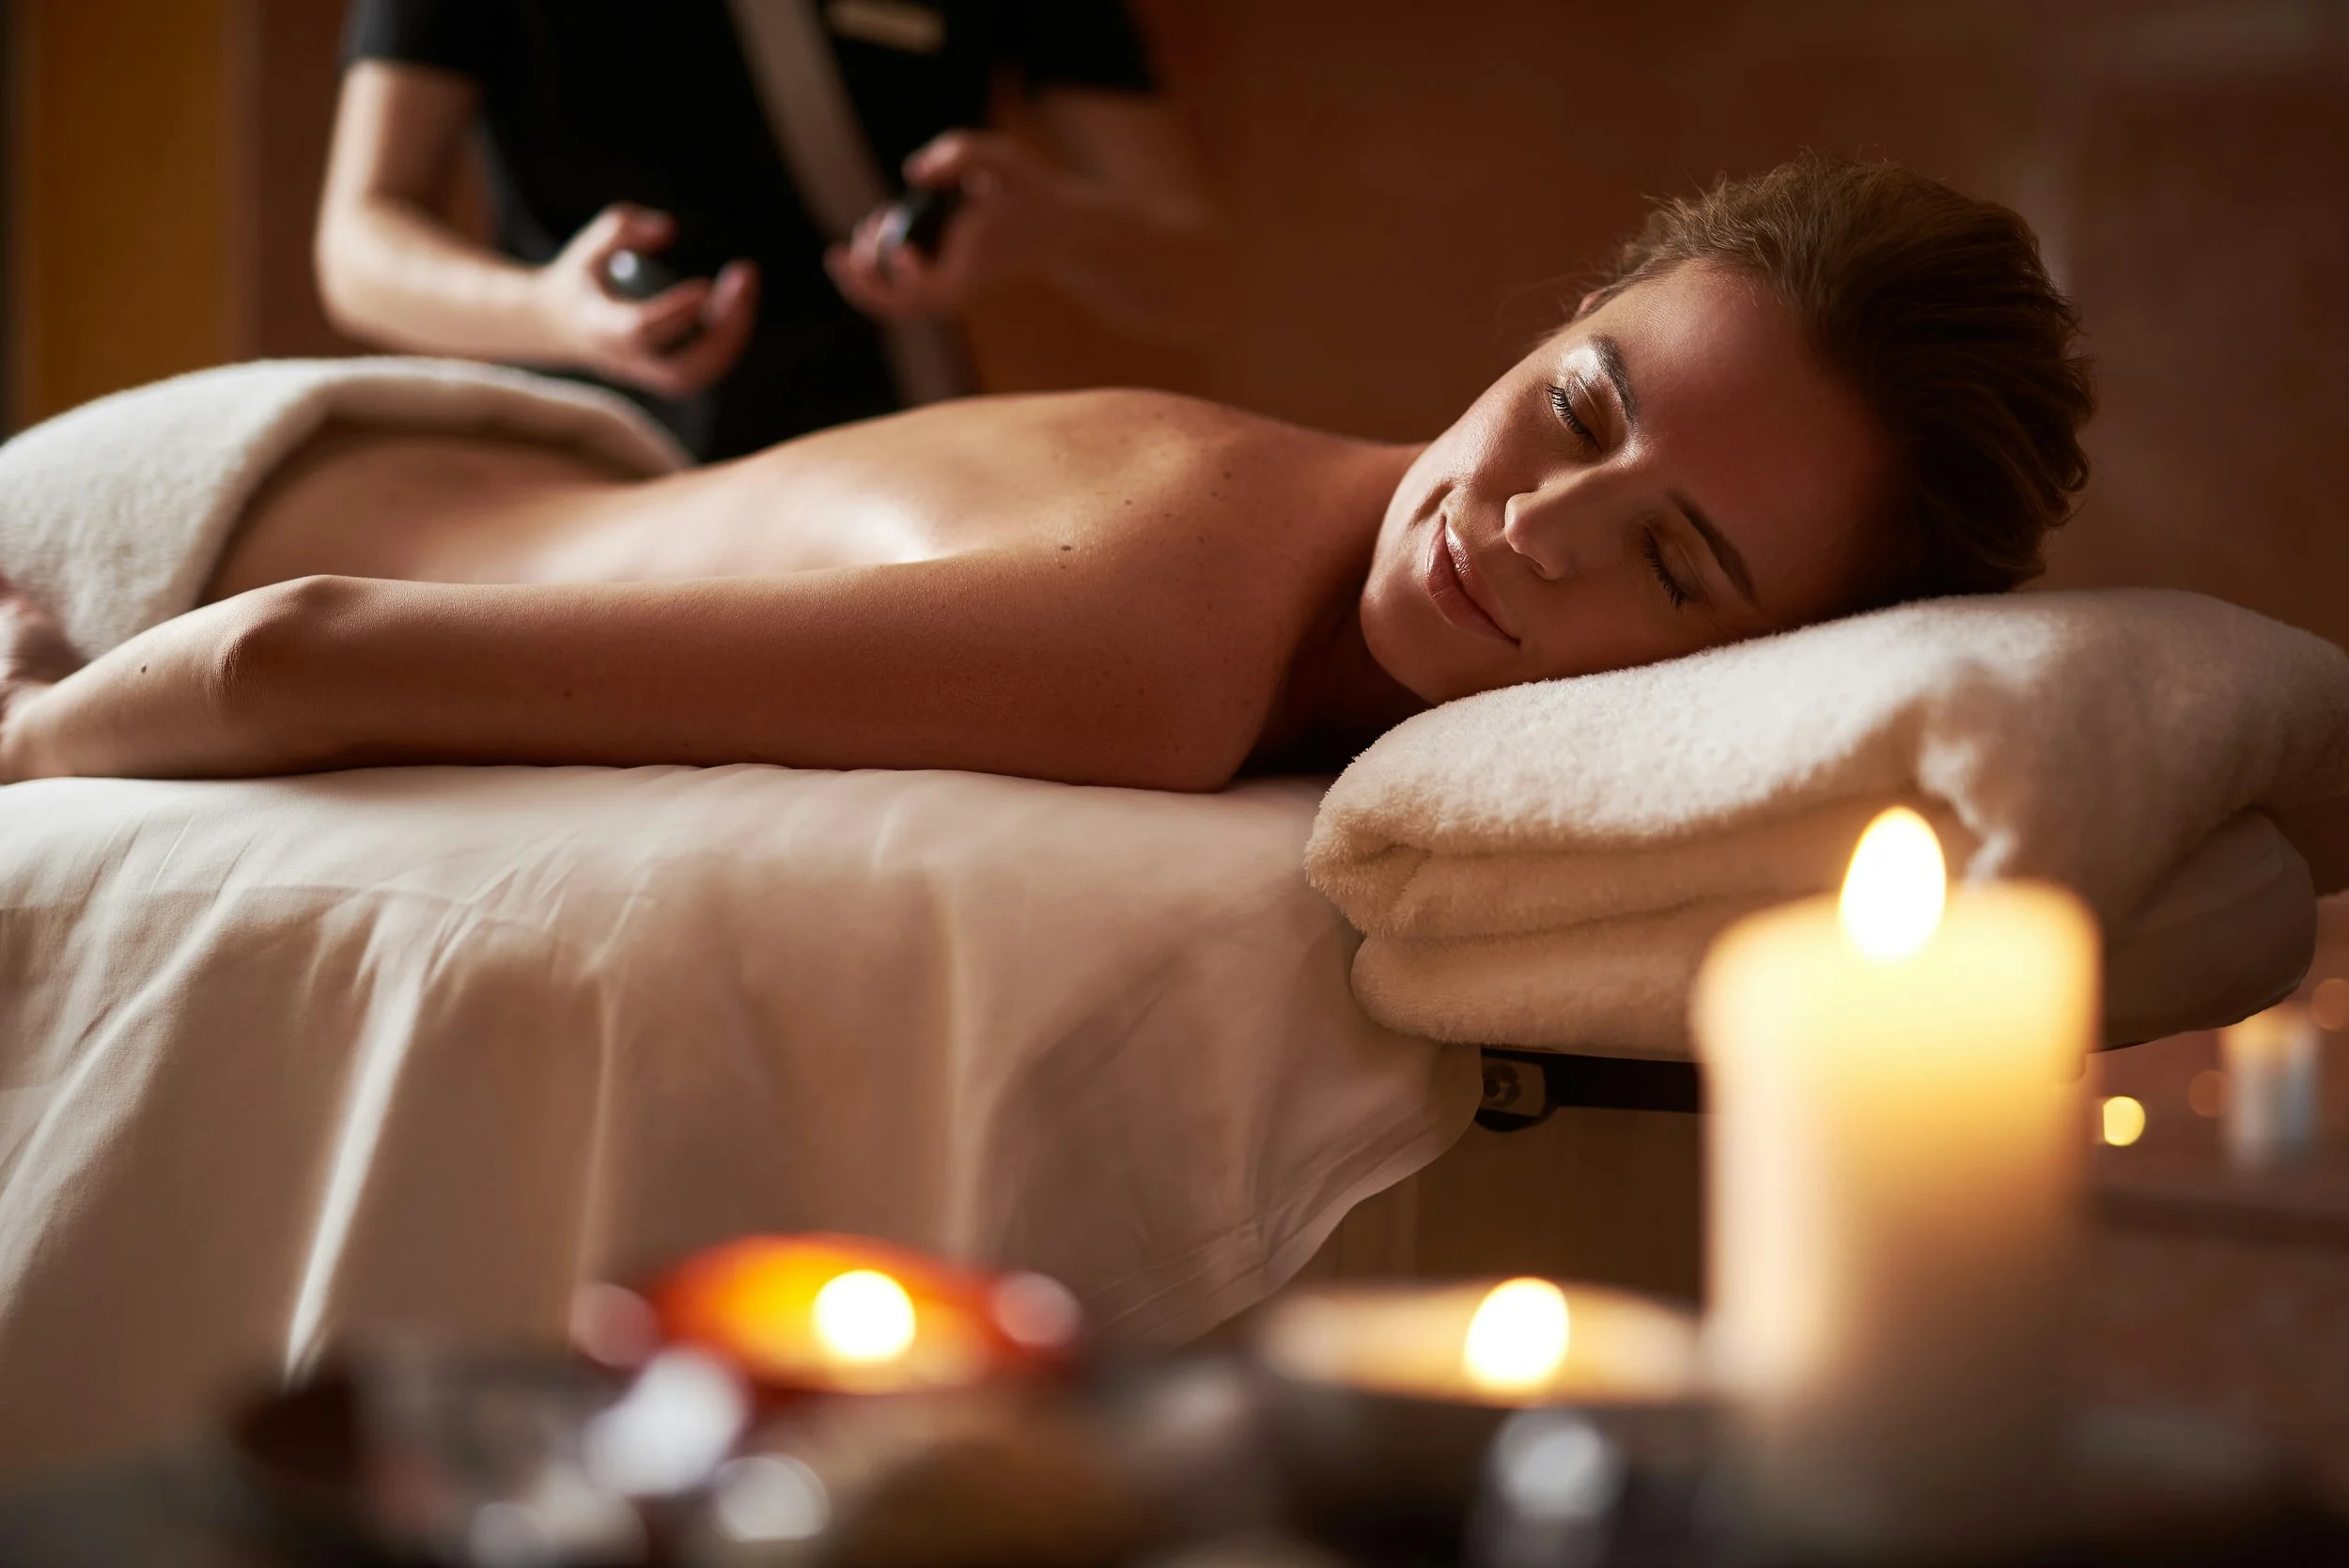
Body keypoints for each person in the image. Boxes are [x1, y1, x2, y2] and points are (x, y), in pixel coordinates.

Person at [1, 159, 2093, 791]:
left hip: (407, 475)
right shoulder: (1158, 644)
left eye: (1677, 563)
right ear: (1546, 332)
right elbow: (298, 658)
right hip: (184, 533)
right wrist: (26, 741)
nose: (1525, 526)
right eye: (1576, 406)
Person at [316, 0, 1220, 460]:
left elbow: (1194, 274)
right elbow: (360, 244)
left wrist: (1057, 227)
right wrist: (550, 311)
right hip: (575, 451)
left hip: (884, 447)